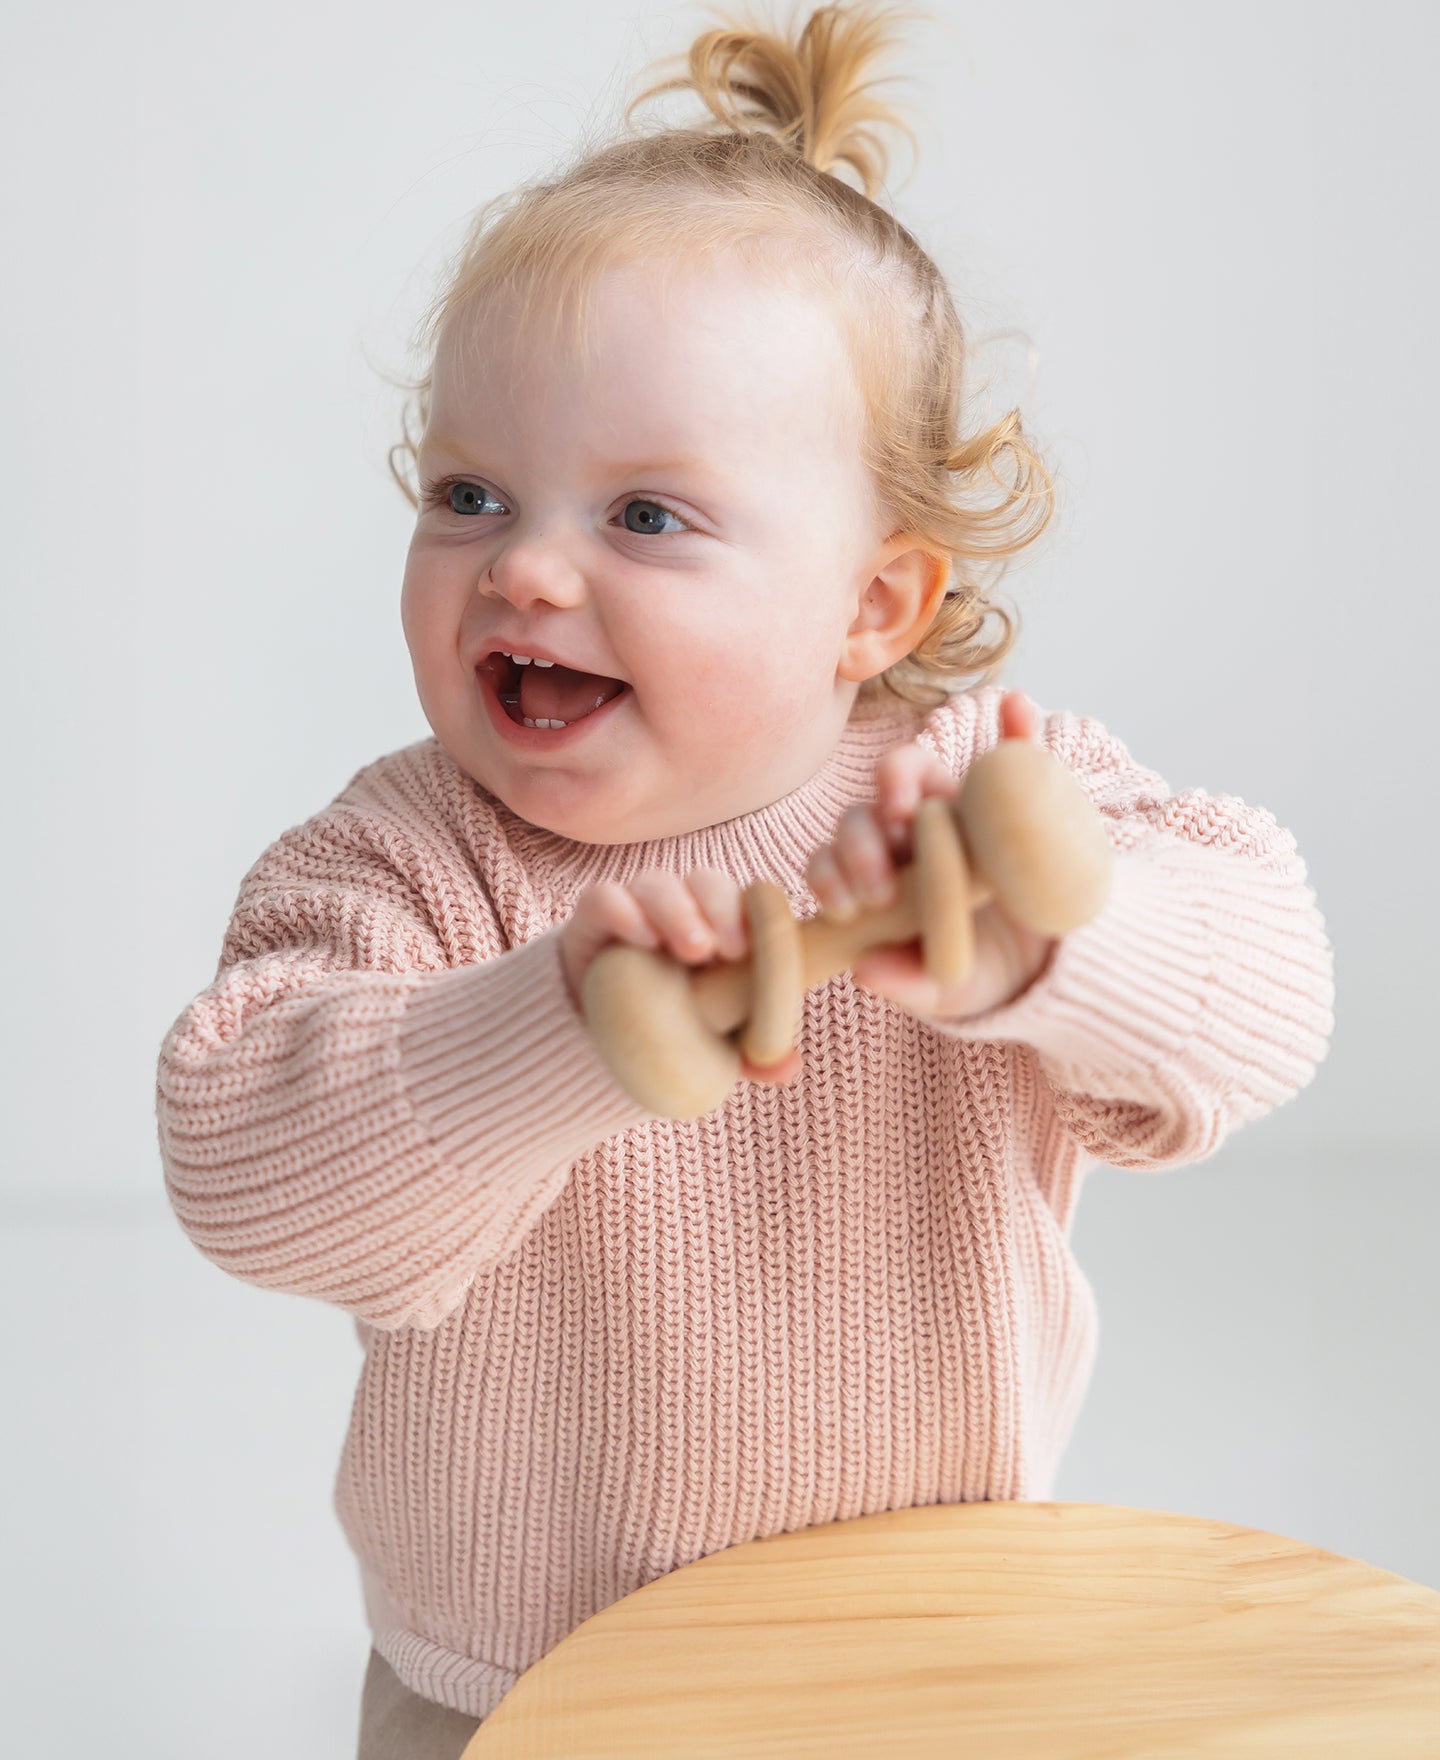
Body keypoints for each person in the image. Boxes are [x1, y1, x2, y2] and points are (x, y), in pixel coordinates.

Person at [153, 5, 1336, 1755]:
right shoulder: (403, 861)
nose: (525, 573)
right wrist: (553, 1034)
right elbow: (246, 1166)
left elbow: (1270, 1003)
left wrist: (1060, 943)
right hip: (520, 1682)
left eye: (646, 517)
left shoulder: (983, 802)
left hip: (931, 1649)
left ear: (876, 606)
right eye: (470, 495)